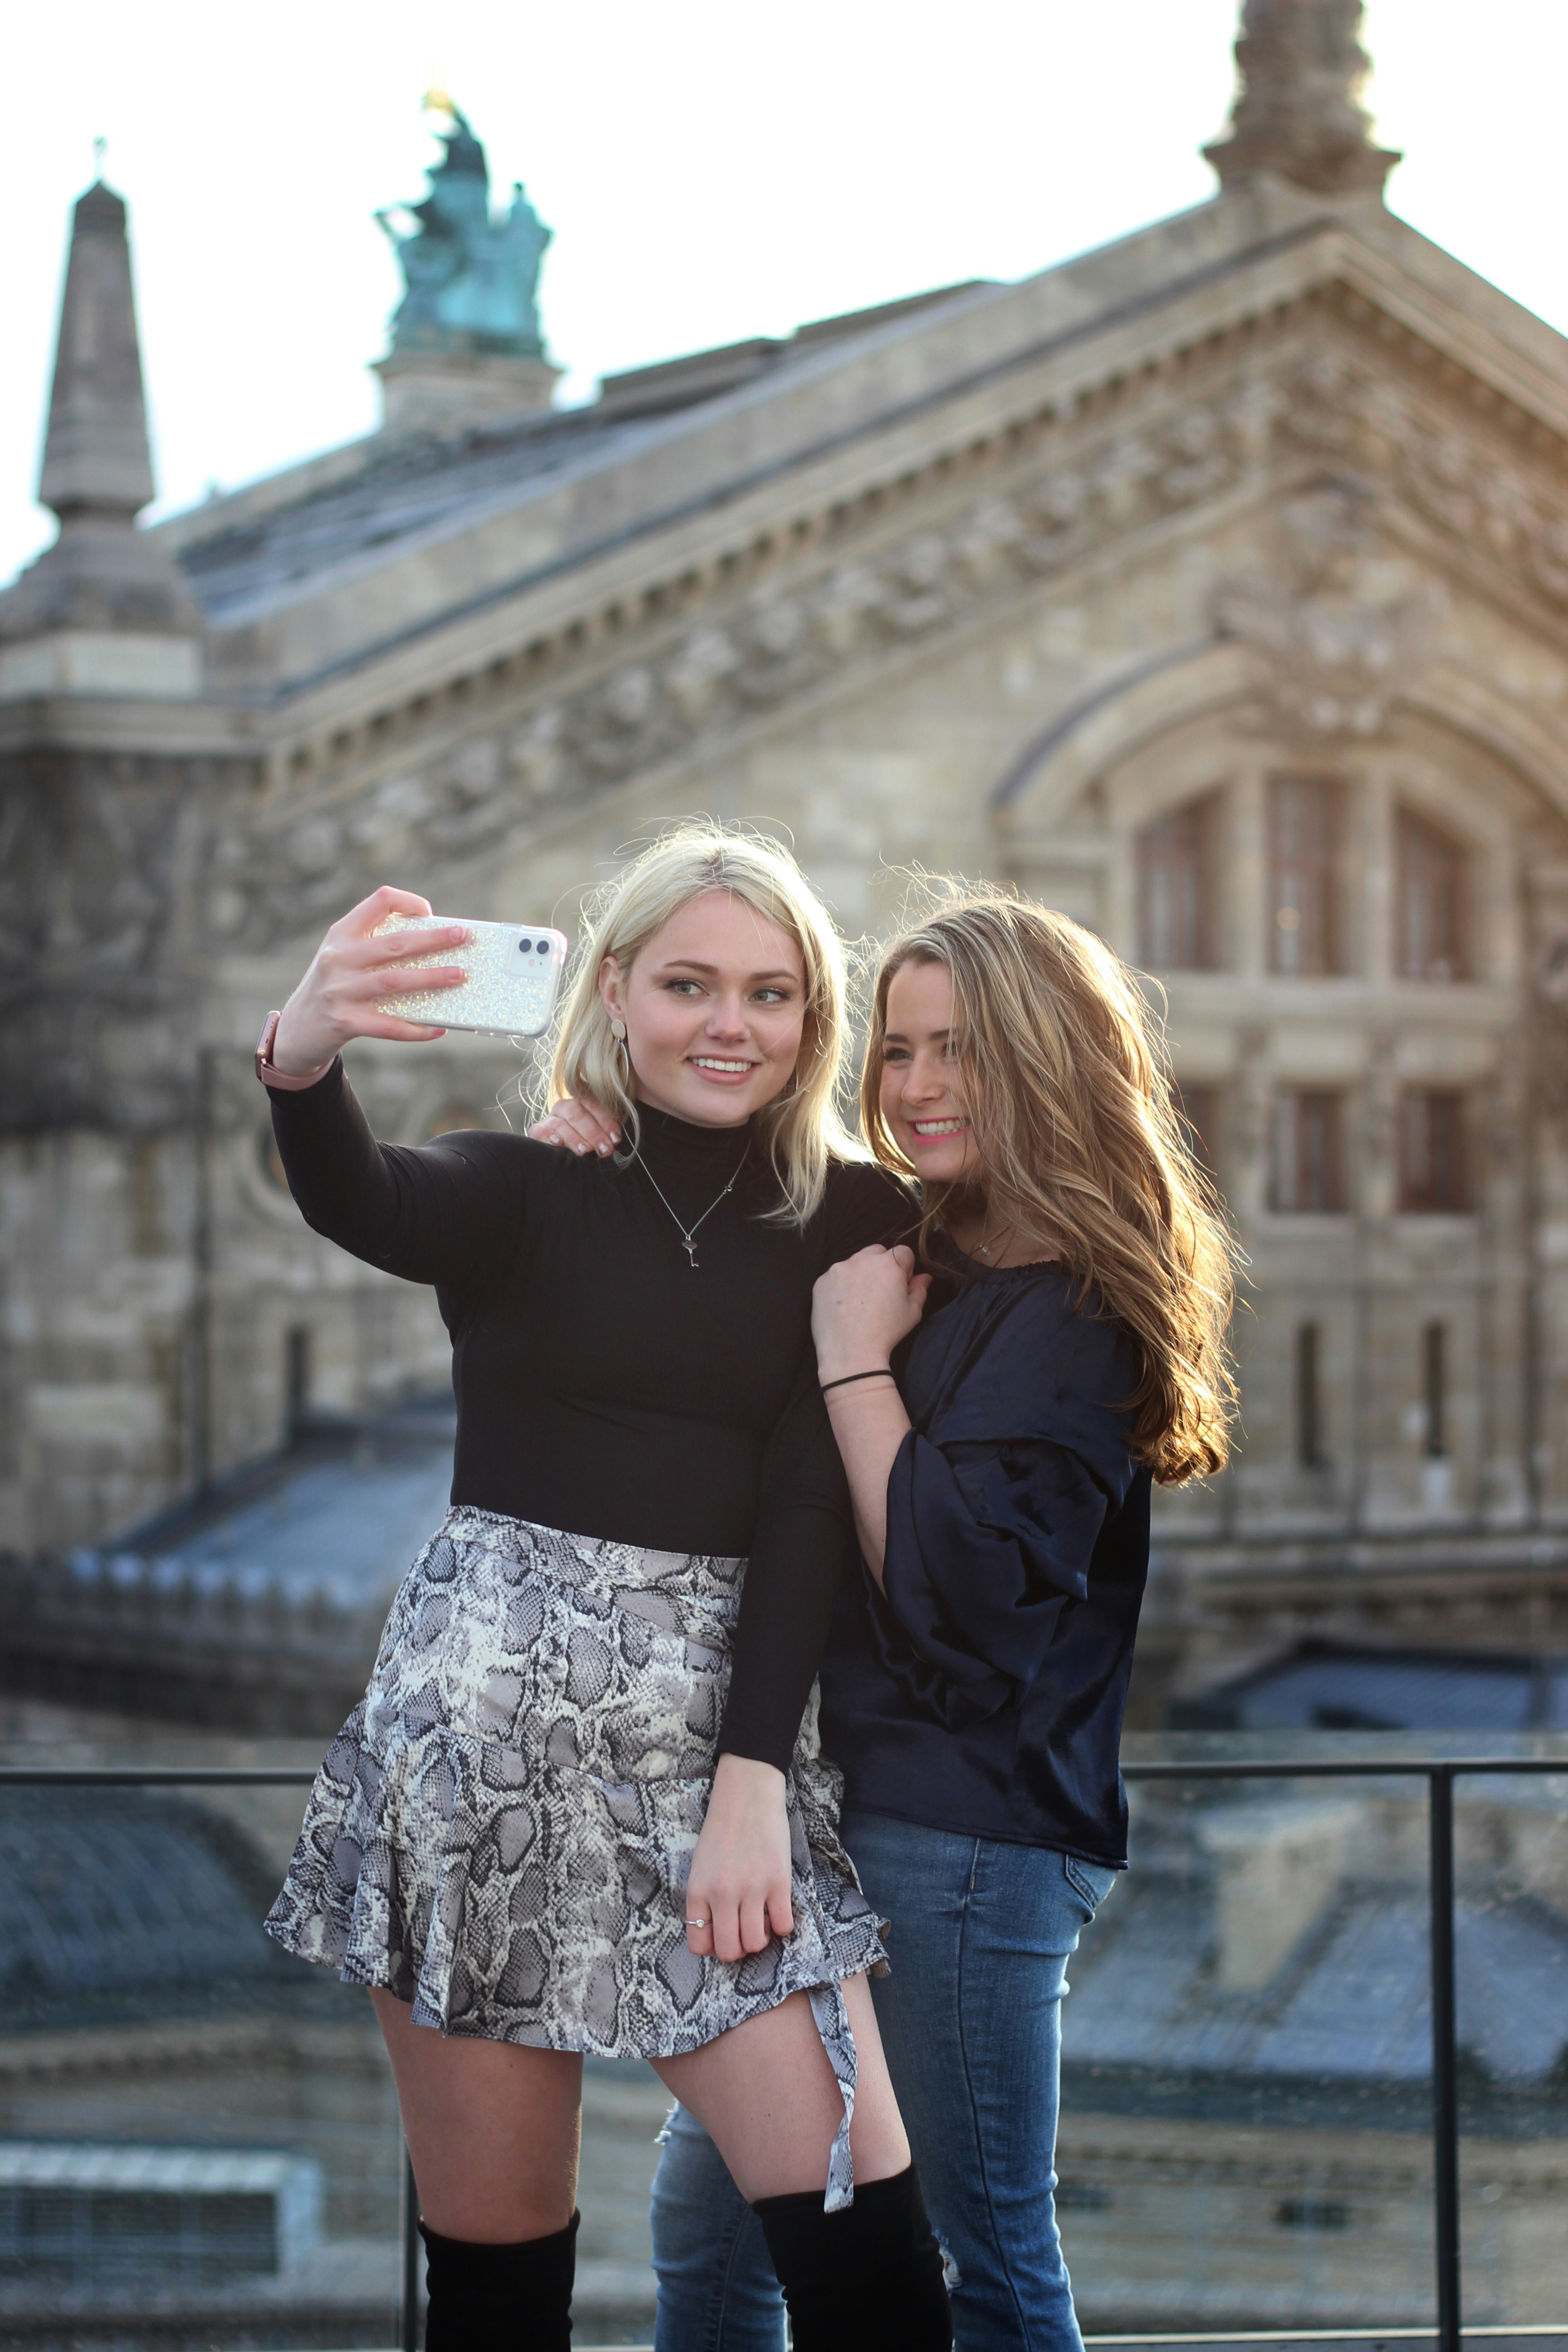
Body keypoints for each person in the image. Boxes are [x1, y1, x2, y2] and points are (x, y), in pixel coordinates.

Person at [253, 828, 951, 2352]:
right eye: (689, 983)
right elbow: (364, 1195)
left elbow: (810, 1511)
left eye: (771, 993)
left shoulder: (855, 1225)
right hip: (471, 1763)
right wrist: (303, 1054)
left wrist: (754, 1779)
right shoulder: (526, 1185)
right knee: (502, 2304)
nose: (729, 1024)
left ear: (812, 1020)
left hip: (711, 1780)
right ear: (616, 989)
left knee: (877, 2285)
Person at [554, 883, 1235, 2351]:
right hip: (836, 1812)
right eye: (900, 1051)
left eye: (962, 1053)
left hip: (967, 1840)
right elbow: (715, 1227)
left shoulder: (1075, 1307)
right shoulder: (927, 1247)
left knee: (981, 2255)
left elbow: (959, 1610)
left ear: (1050, 1063)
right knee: (714, 2231)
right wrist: (589, 1149)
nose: (917, 1089)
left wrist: (859, 1369)